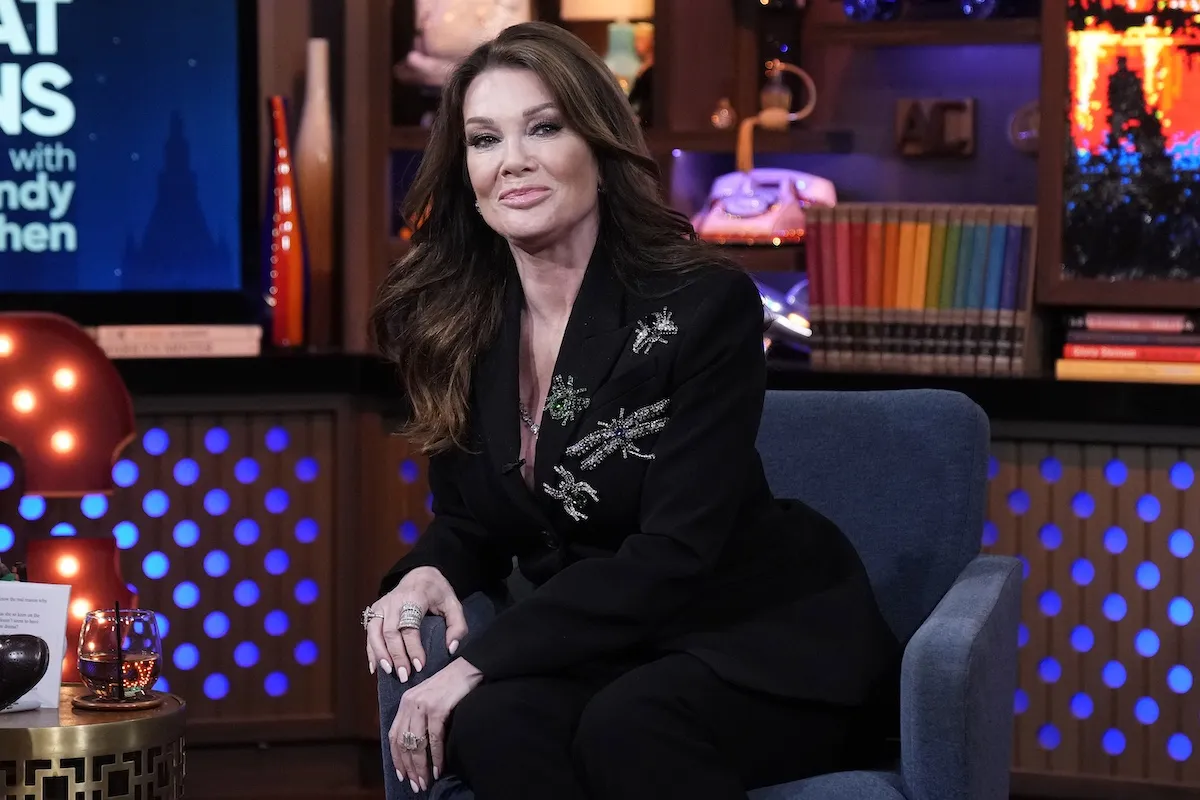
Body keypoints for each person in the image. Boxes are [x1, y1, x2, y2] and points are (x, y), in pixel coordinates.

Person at [364, 21, 901, 800]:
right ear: (465, 173)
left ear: (600, 147)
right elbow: (476, 522)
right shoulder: (460, 327)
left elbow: (675, 552)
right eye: (484, 139)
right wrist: (424, 573)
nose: (512, 160)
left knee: (629, 726)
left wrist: (477, 661)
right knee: (493, 725)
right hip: (608, 647)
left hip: (748, 634)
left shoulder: (703, 306)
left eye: (544, 128)